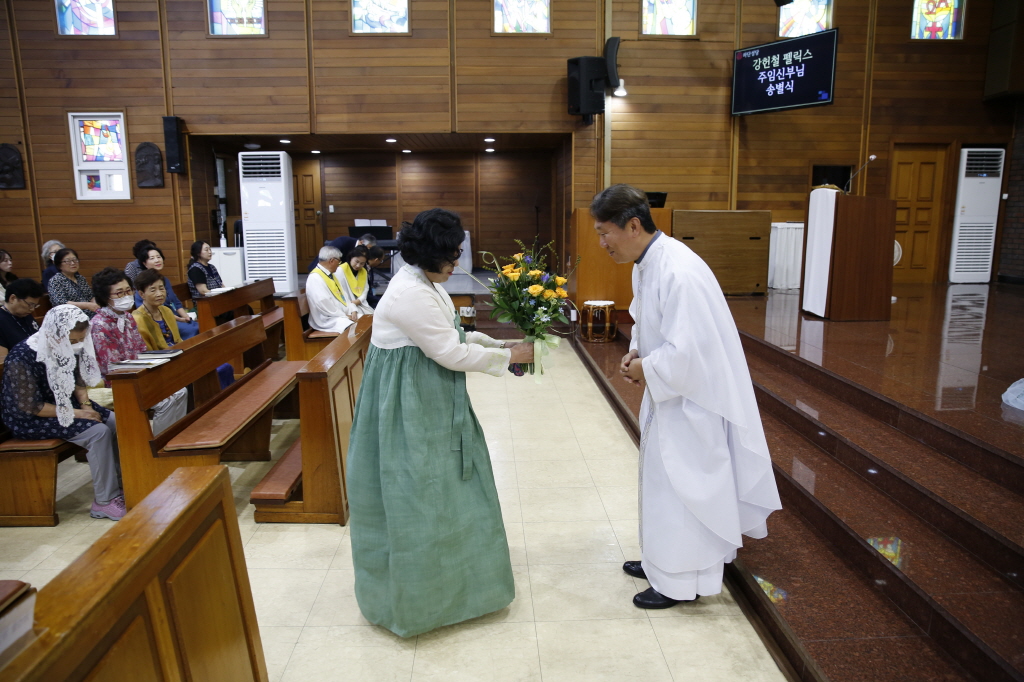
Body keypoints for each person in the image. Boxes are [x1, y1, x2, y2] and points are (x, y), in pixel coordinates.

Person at [590, 184, 782, 609]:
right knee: (662, 482)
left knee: (685, 486)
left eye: (605, 233)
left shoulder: (678, 269)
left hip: (695, 400)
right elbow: (646, 318)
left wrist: (646, 368)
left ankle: (679, 580)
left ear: (634, 225)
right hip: (670, 395)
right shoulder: (647, 262)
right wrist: (637, 350)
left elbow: (690, 353)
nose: (602, 243)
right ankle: (662, 560)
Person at [346, 208, 533, 638]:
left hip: (428, 392)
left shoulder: (425, 282)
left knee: (446, 489)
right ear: (429, 255)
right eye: (450, 257)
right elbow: (450, 353)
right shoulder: (410, 292)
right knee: (417, 494)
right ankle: (422, 601)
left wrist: (501, 344)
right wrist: (510, 357)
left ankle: (460, 585)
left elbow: (452, 335)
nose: (455, 263)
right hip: (408, 406)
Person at [1, 304, 125, 520]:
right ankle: (104, 501)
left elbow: (77, 382)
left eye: (79, 341)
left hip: (65, 404)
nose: (76, 346)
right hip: (30, 418)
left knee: (116, 421)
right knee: (98, 432)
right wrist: (79, 414)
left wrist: (85, 405)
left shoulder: (64, 346)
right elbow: (32, 407)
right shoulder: (22, 356)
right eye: (73, 341)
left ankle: (122, 483)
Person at [89, 268, 187, 435]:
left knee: (180, 391)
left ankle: (174, 439)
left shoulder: (127, 317)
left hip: (138, 375)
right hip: (119, 383)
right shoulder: (100, 325)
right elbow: (111, 367)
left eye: (128, 291)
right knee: (166, 401)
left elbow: (141, 350)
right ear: (106, 297)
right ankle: (158, 446)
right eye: (119, 293)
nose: (126, 296)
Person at [133, 244, 199, 339]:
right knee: (195, 329)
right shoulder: (143, 283)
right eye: (152, 258)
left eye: (159, 257)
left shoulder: (165, 280)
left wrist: (186, 318)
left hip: (175, 317)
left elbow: (176, 303)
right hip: (160, 321)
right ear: (144, 263)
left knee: (202, 326)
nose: (157, 260)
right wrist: (179, 319)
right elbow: (148, 312)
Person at [306, 245, 357, 333]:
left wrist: (352, 310)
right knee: (353, 328)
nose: (339, 264)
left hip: (341, 314)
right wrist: (344, 315)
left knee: (365, 319)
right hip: (328, 318)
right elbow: (323, 302)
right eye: (339, 261)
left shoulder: (330, 275)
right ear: (332, 261)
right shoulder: (315, 278)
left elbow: (344, 295)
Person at [0, 278, 44, 360]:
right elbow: (2, 361)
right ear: (12, 298)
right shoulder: (2, 320)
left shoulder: (25, 314)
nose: (32, 309)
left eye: (35, 305)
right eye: (30, 304)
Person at [47, 248, 98, 317]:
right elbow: (60, 303)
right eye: (68, 261)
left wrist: (96, 305)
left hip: (89, 314)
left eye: (75, 260)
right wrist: (86, 305)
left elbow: (90, 297)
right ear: (59, 265)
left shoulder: (81, 278)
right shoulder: (56, 280)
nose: (73, 263)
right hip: (70, 316)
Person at [307, 232, 378, 273]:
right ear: (361, 242)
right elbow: (328, 256)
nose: (367, 251)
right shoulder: (343, 241)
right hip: (320, 268)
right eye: (368, 248)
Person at [337, 246, 375, 317]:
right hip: (346, 304)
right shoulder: (340, 270)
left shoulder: (363, 271)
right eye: (356, 261)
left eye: (362, 263)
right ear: (351, 257)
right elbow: (339, 291)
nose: (358, 265)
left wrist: (359, 300)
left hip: (360, 303)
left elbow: (365, 289)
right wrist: (352, 305)